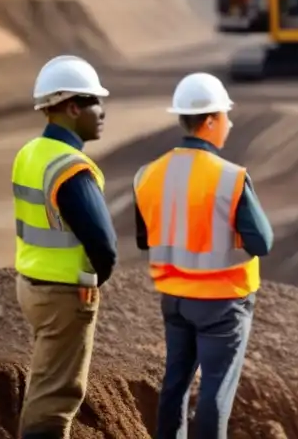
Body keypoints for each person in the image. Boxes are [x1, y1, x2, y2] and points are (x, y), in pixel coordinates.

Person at [134, 72, 274, 438]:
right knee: (215, 391)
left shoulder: (148, 174)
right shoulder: (229, 177)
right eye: (226, 115)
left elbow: (143, 237)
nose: (230, 122)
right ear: (210, 120)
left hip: (175, 301)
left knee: (175, 384)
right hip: (222, 304)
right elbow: (262, 242)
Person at [14, 55, 117, 439]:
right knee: (56, 403)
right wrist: (92, 281)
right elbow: (104, 247)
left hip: (31, 285)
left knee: (44, 382)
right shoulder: (72, 168)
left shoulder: (30, 153)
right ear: (72, 107)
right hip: (63, 294)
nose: (101, 111)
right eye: (94, 102)